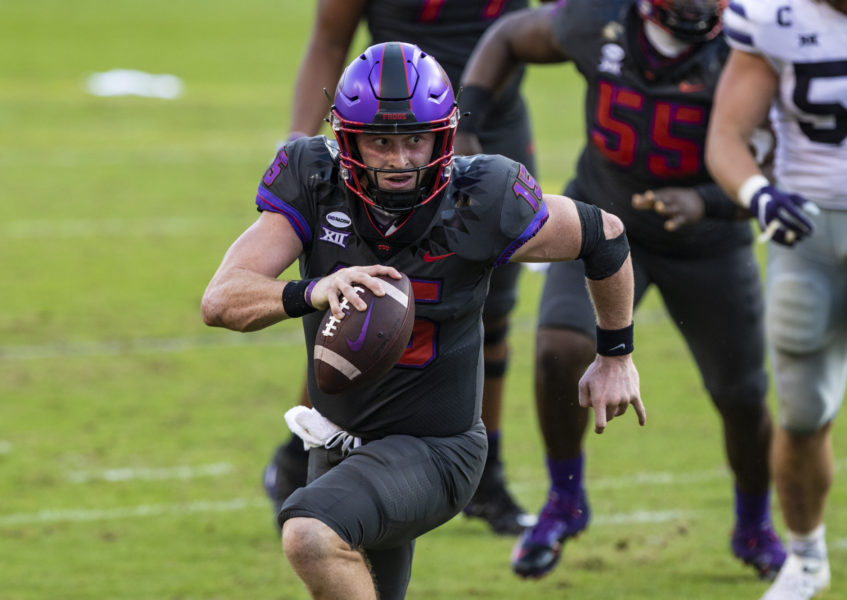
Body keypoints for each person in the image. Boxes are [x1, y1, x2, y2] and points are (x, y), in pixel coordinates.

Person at [202, 42, 646, 600]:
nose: (398, 160)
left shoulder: (482, 197)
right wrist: (313, 289)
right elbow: (221, 300)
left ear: (444, 136)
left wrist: (616, 355)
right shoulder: (315, 182)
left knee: (312, 536)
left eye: (415, 139)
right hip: (338, 441)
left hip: (438, 449)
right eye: (379, 141)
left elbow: (604, 235)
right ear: (345, 138)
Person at [457, 0, 786, 580]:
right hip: (597, 224)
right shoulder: (597, 20)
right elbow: (507, 36)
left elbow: (781, 158)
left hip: (708, 241)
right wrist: (469, 125)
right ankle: (564, 501)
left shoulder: (751, 38)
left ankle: (755, 526)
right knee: (559, 349)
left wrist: (705, 200)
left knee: (742, 396)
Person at [263, 0, 552, 536]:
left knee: (491, 312)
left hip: (487, 131)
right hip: (373, 138)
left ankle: (485, 469)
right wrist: (297, 144)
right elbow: (330, 38)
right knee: (356, 306)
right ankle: (302, 445)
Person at [706, 1, 847, 598]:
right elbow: (727, 136)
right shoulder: (772, 13)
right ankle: (807, 557)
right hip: (806, 228)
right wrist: (760, 194)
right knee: (803, 414)